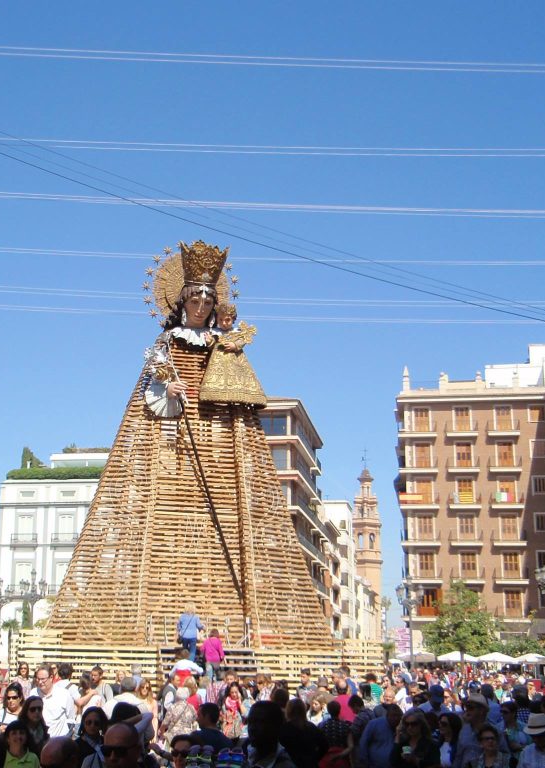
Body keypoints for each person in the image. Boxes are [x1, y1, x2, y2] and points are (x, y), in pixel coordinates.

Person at [45, 242, 331, 649]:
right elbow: (150, 394)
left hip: (218, 443)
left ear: (215, 304)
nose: (200, 304)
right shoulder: (167, 344)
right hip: (173, 443)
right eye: (194, 296)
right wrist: (169, 386)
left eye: (207, 298)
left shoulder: (224, 344)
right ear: (181, 301)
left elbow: (238, 392)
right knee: (161, 528)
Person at [245, 701, 297, 768]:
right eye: (250, 722)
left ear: (276, 727)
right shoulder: (247, 753)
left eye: (259, 722)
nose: (252, 728)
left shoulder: (285, 765)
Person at [278, 699, 327, 768]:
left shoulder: (284, 729)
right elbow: (325, 745)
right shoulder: (311, 727)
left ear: (289, 711)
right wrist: (315, 758)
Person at [32, 668, 76, 738]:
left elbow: (71, 719)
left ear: (51, 677)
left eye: (43, 679)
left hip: (59, 742)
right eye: (38, 679)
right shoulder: (33, 694)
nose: (40, 682)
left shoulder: (64, 694)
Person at [360, 704, 402, 768]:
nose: (396, 718)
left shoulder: (402, 726)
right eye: (393, 715)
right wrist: (364, 761)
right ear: (387, 715)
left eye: (398, 716)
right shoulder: (374, 724)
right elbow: (363, 742)